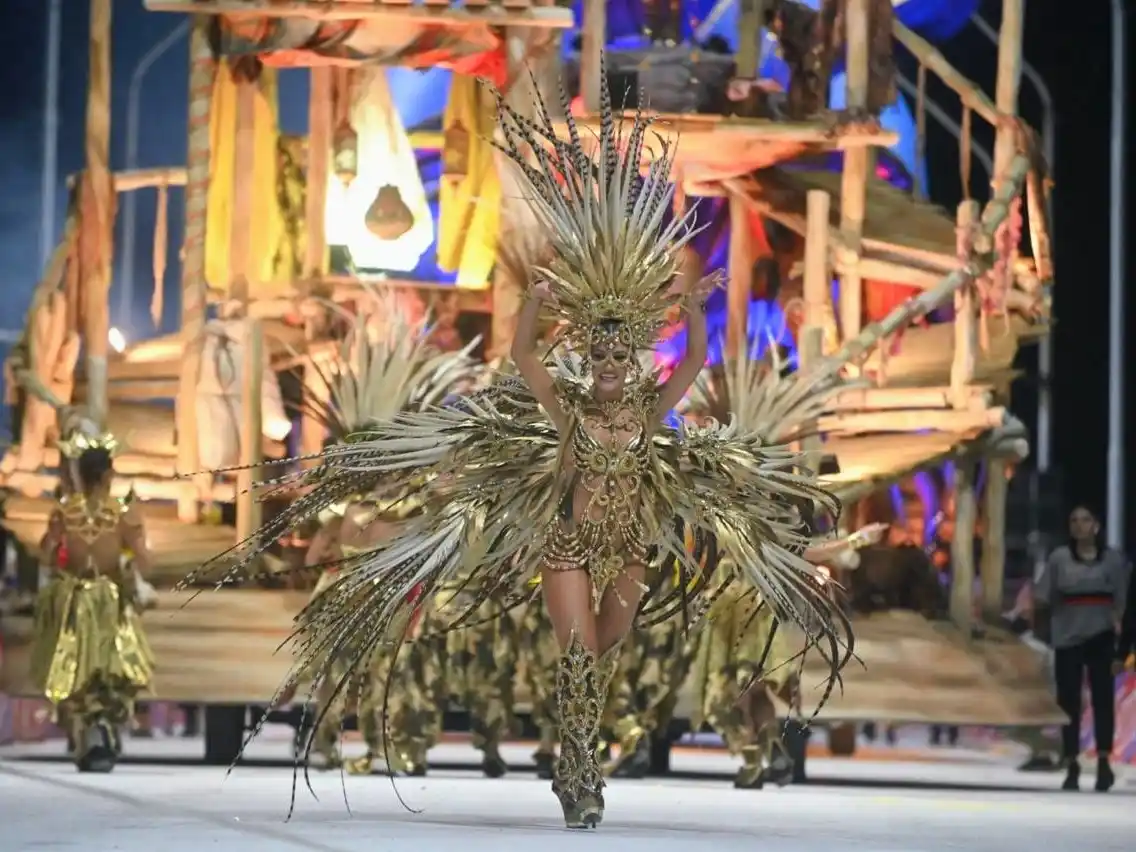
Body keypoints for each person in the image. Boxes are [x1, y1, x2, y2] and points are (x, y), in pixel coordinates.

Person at [182, 62, 852, 830]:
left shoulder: (646, 412)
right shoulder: (567, 417)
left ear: (628, 359)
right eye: (595, 357)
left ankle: (578, 755)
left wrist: (695, 308)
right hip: (567, 546)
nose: (603, 368)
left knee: (600, 662)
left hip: (628, 549)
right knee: (572, 661)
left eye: (614, 358)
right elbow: (529, 361)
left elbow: (697, 364)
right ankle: (582, 774)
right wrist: (533, 306)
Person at [30, 425, 155, 772]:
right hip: (107, 601)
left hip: (72, 599)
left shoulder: (64, 512)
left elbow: (48, 555)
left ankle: (91, 735)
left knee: (79, 672)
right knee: (111, 670)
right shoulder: (122, 512)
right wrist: (133, 558)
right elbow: (146, 561)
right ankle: (98, 735)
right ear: (108, 474)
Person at [1034, 505, 1130, 792]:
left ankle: (1103, 761)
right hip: (1067, 639)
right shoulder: (1059, 559)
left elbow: (1122, 604)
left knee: (1103, 701)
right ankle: (1072, 761)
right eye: (1074, 520)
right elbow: (1043, 598)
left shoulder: (1112, 561)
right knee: (1069, 703)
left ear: (1096, 526)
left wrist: (1119, 649)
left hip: (1101, 638)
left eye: (1086, 520)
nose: (1079, 525)